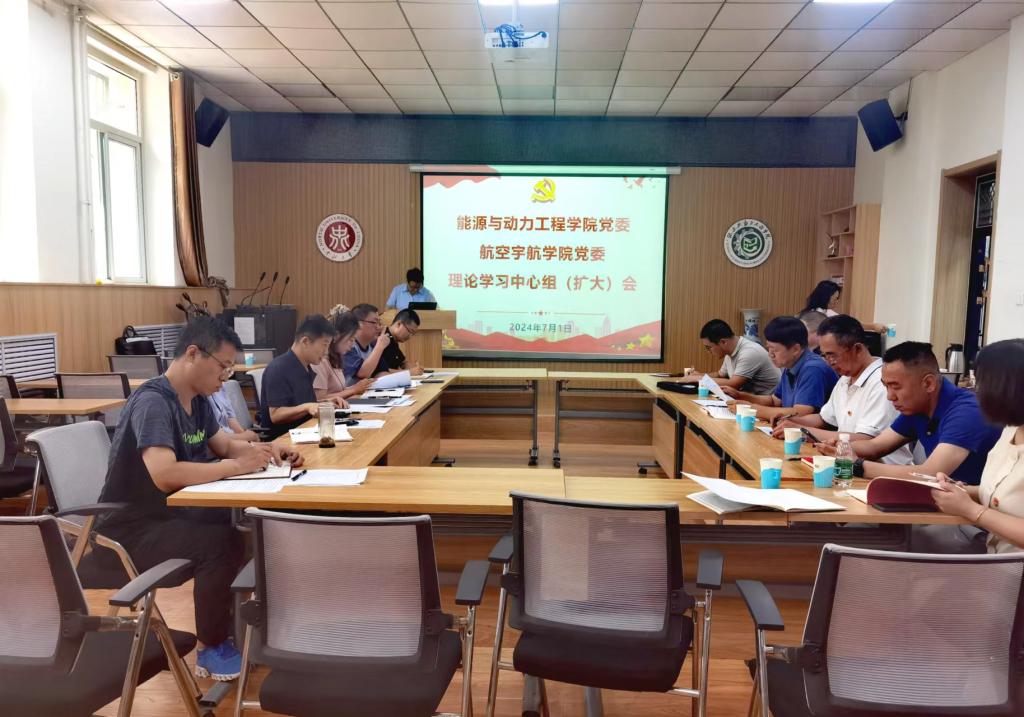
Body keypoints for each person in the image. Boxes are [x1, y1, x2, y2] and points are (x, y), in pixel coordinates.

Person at [96, 317, 301, 681]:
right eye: (223, 367)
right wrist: (234, 467)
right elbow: (165, 473)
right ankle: (212, 646)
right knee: (219, 543)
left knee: (251, 524)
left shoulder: (198, 401)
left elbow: (225, 446)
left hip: (172, 515)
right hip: (129, 531)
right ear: (193, 354)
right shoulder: (154, 402)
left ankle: (246, 627)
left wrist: (269, 450)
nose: (225, 377)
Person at [815, 341, 1001, 484]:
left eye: (896, 387)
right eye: (886, 386)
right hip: (945, 502)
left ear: (928, 383)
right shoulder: (918, 407)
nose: (890, 396)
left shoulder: (966, 411)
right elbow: (875, 446)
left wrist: (857, 466)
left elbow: (929, 473)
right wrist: (840, 449)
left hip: (976, 512)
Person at [773, 315, 913, 464]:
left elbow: (866, 439)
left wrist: (801, 430)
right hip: (846, 462)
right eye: (825, 356)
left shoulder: (882, 382)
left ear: (857, 349)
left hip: (880, 468)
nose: (829, 362)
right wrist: (792, 420)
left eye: (832, 355)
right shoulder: (845, 378)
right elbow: (824, 418)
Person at [930, 339, 1024, 553]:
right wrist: (961, 492)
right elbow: (1004, 495)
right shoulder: (1010, 430)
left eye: (980, 381)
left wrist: (971, 510)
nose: (976, 390)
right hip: (996, 560)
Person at [723, 316, 837, 422]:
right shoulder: (791, 363)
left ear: (795, 349)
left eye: (774, 350)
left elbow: (800, 413)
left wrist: (751, 409)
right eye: (769, 348)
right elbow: (774, 401)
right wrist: (740, 395)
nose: (770, 355)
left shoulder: (813, 369)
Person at [257, 314, 347, 438]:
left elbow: (301, 404)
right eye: (324, 345)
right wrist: (307, 407)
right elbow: (275, 415)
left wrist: (324, 403)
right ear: (305, 341)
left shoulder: (305, 366)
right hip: (284, 439)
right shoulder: (278, 368)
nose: (326, 352)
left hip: (306, 431)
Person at [677, 319, 780, 395]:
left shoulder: (749, 352)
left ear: (723, 342)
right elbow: (720, 375)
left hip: (767, 404)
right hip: (747, 401)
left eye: (709, 347)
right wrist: (700, 375)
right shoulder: (729, 352)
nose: (708, 352)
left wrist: (699, 379)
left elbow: (733, 384)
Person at [312, 310, 374, 401]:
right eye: (351, 339)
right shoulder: (319, 361)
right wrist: (353, 390)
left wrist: (358, 387)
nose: (352, 345)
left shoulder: (337, 357)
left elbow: (339, 390)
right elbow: (319, 399)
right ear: (336, 335)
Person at [803, 279, 887, 333]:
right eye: (835, 298)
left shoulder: (807, 313)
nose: (837, 301)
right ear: (826, 297)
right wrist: (873, 326)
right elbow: (850, 324)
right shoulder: (824, 314)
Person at [344, 303, 393, 381]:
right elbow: (363, 373)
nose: (379, 327)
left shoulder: (372, 345)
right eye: (374, 322)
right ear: (358, 324)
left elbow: (382, 372)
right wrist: (380, 346)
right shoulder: (347, 345)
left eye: (379, 323)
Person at [379, 308, 425, 377]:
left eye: (412, 334)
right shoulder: (382, 337)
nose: (410, 336)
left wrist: (415, 368)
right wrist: (409, 372)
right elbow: (380, 371)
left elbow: (403, 362)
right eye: (410, 331)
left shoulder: (394, 340)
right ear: (399, 324)